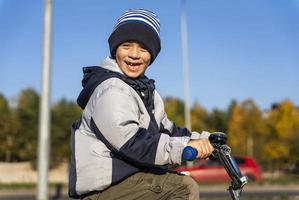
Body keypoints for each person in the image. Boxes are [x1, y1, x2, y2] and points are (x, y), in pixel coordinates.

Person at [69, 8, 214, 200]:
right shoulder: (111, 89)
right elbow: (131, 143)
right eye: (127, 46)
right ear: (115, 49)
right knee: (183, 188)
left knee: (176, 181)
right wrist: (182, 149)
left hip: (128, 181)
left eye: (144, 48)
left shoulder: (145, 92)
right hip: (104, 189)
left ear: (152, 55)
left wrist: (206, 140)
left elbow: (167, 130)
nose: (135, 54)